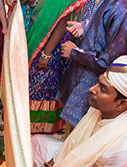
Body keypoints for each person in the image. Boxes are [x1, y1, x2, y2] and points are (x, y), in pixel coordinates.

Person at [56, 0, 127, 128]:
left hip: (91, 82)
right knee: (69, 130)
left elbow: (110, 61)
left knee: (80, 131)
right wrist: (84, 27)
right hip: (80, 74)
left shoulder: (123, 12)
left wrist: (75, 53)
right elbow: (101, 28)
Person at [25, 0, 88, 134]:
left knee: (41, 85)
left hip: (51, 45)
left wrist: (46, 54)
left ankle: (40, 126)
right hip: (43, 37)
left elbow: (62, 23)